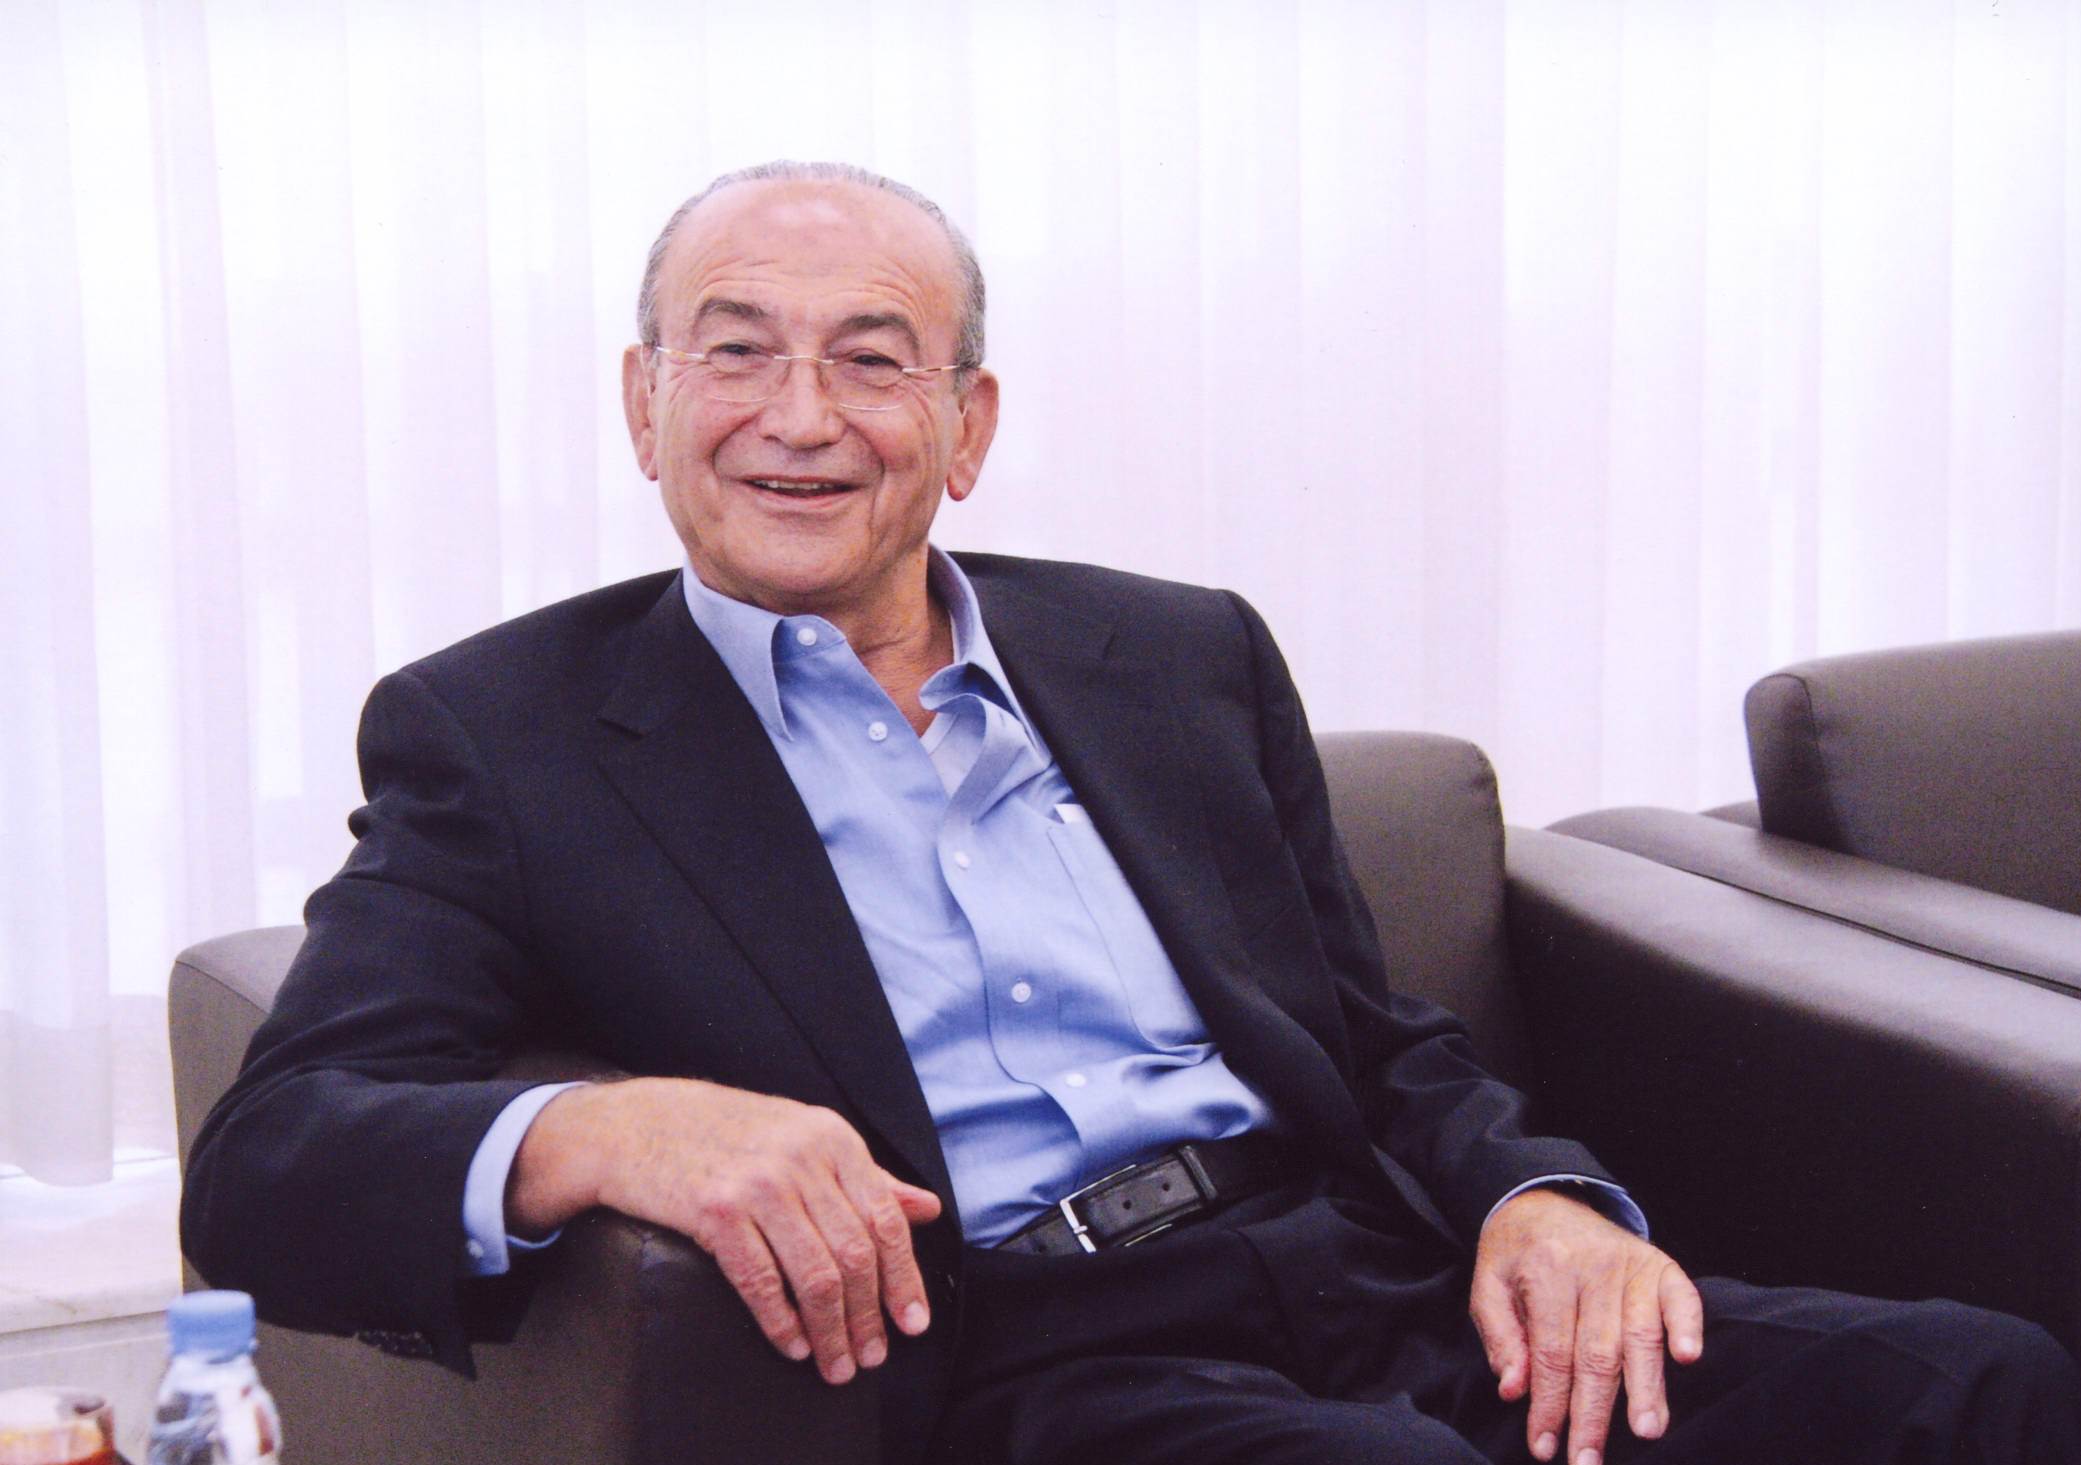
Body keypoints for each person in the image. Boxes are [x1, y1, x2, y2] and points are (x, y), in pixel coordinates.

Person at [182, 160, 2081, 1465]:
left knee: (1968, 1385)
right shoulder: (505, 733)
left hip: (1373, 1266)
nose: (798, 413)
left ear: (966, 425)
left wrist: (1539, 1201)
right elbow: (272, 1156)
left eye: (871, 357)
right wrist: (604, 1126)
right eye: (734, 348)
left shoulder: (1173, 653)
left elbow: (1375, 1040)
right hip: (1035, 1350)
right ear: (643, 403)